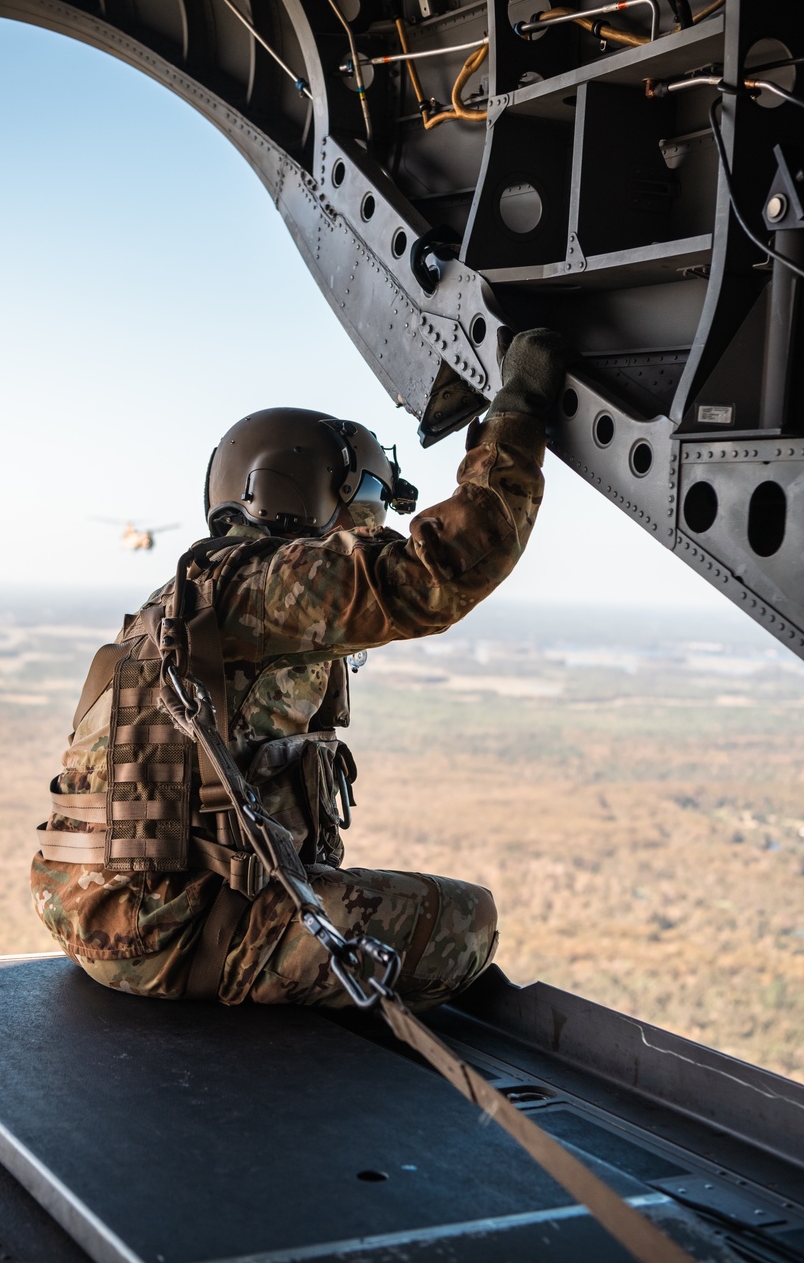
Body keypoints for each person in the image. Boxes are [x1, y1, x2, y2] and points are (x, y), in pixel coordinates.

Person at [31, 329, 566, 1010]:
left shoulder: (192, 595)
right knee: (467, 922)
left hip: (107, 922)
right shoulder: (263, 585)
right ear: (301, 483)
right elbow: (438, 576)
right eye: (368, 487)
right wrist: (518, 414)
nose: (375, 509)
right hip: (180, 936)